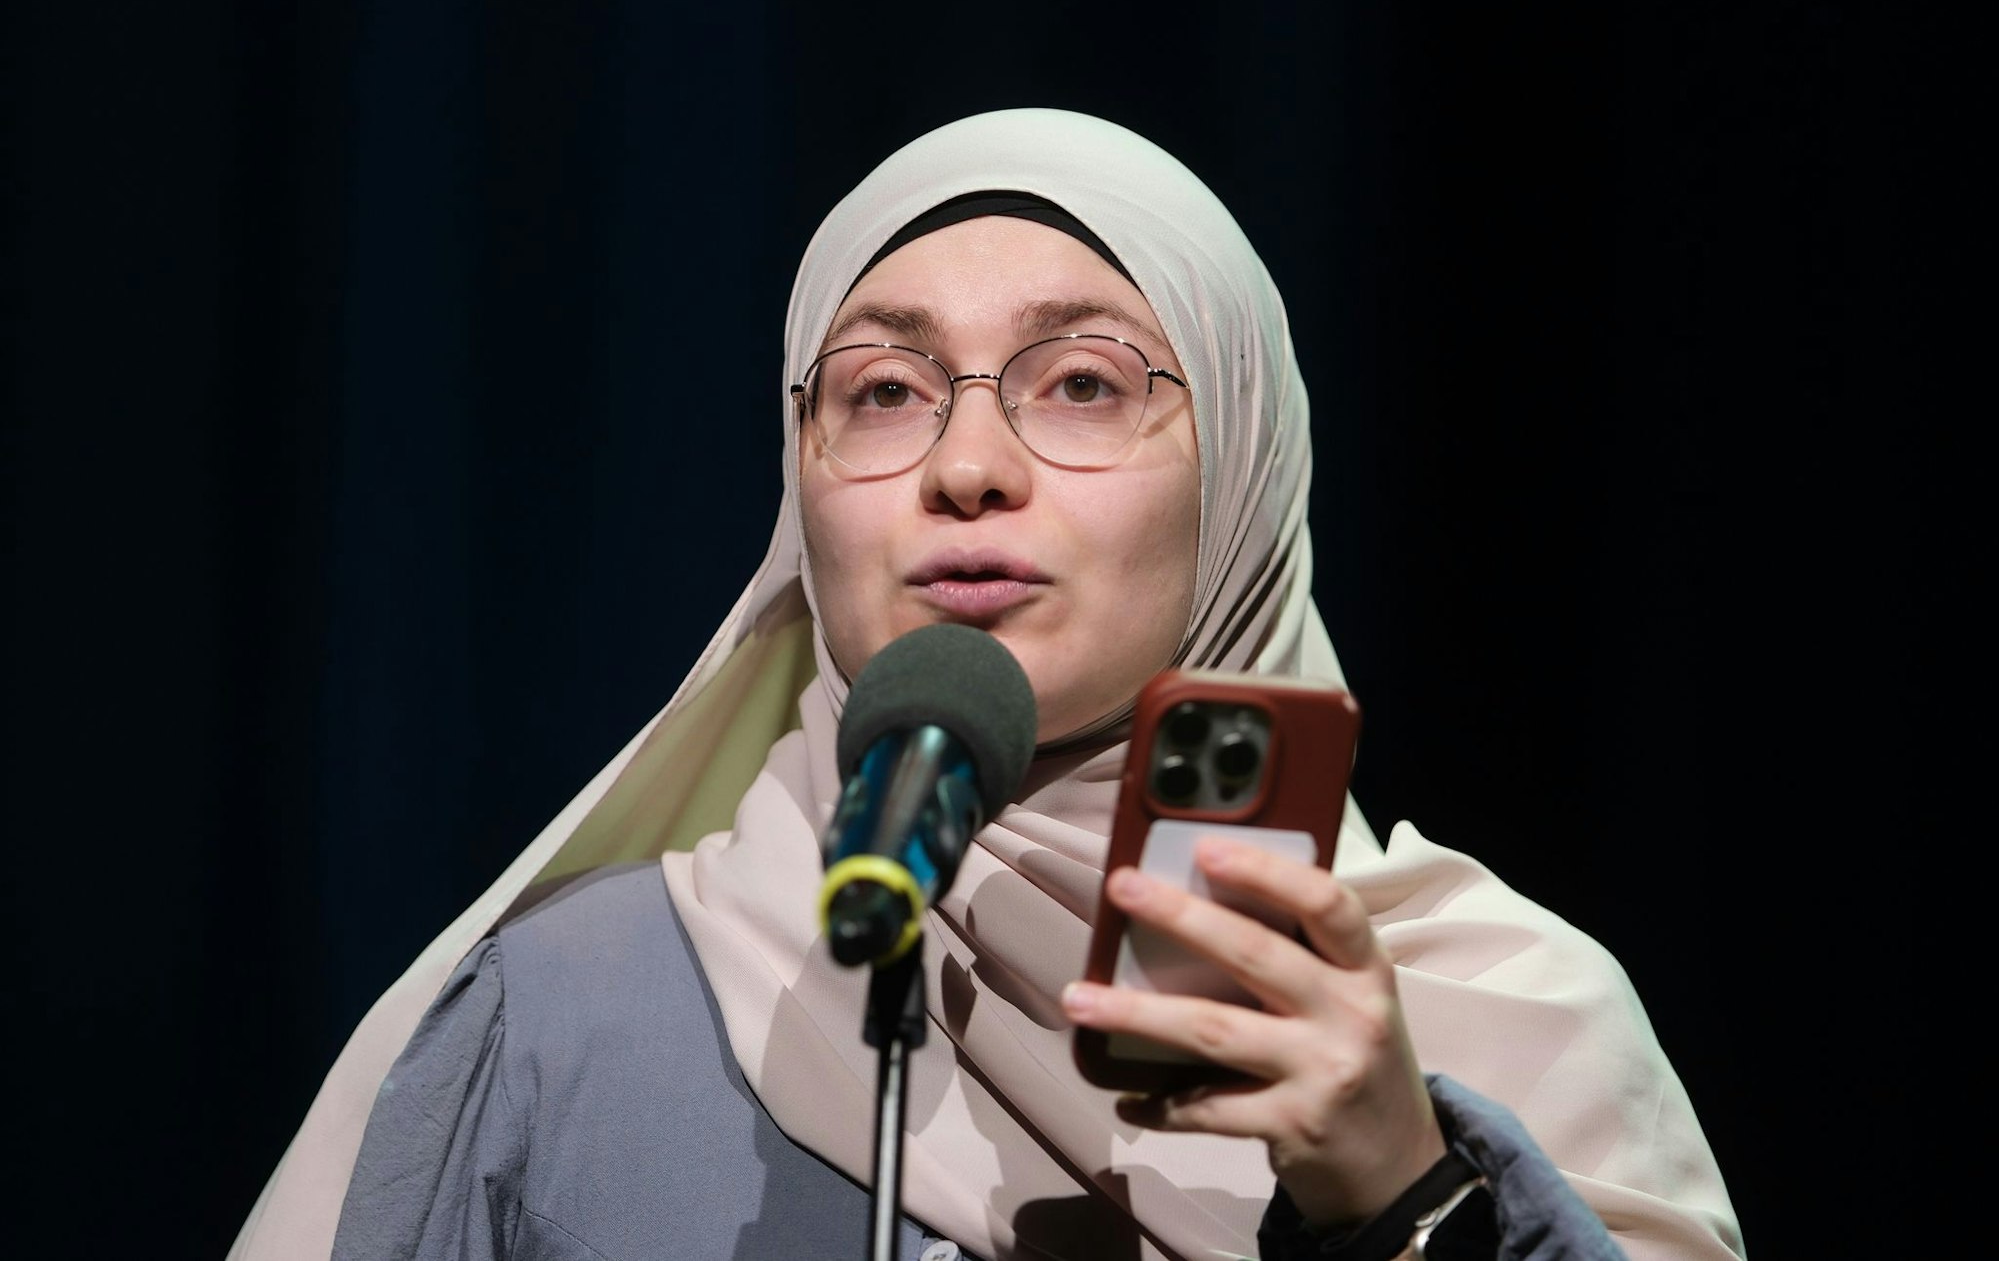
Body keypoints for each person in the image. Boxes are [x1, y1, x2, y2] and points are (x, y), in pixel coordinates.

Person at [229, 108, 1745, 1261]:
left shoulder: (1504, 1031)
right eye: (883, 391)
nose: (965, 468)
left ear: (1245, 474)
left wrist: (1407, 1194)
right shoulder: (569, 1019)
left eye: (1083, 381)